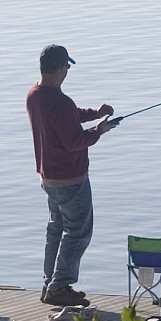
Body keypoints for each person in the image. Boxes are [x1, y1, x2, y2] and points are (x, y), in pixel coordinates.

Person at [26, 44, 117, 306]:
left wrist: (95, 114)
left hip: (48, 177)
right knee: (78, 232)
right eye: (67, 66)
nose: (67, 71)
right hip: (70, 179)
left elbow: (68, 116)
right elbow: (74, 141)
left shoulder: (34, 94)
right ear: (59, 68)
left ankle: (50, 284)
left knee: (56, 230)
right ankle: (60, 286)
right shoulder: (60, 102)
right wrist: (99, 131)